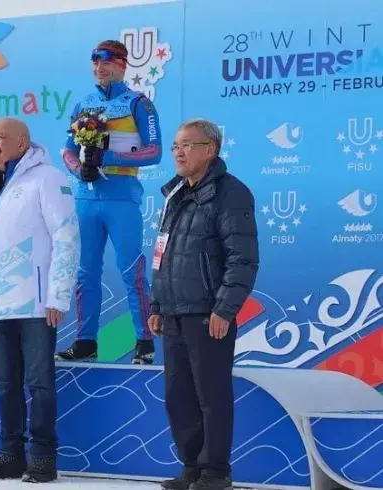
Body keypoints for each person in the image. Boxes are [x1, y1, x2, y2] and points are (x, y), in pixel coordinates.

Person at [0, 118, 79, 483]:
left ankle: (43, 456)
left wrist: (57, 294)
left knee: (40, 382)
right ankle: (11, 454)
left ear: (23, 142)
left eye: (2, 137)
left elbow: (67, 238)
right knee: (5, 383)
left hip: (37, 304)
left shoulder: (48, 178)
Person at [148, 119, 259, 490]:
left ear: (209, 149)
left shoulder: (231, 194)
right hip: (175, 313)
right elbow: (162, 254)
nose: (178, 152)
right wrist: (157, 304)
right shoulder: (174, 195)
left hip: (208, 315)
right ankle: (192, 468)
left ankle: (216, 471)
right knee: (178, 397)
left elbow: (242, 259)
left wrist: (224, 309)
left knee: (211, 395)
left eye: (186, 145)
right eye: (175, 146)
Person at [56, 40, 163, 364]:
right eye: (94, 62)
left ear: (121, 65)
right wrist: (80, 168)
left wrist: (109, 156)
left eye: (106, 62)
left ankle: (143, 341)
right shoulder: (83, 105)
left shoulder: (139, 104)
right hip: (86, 197)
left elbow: (154, 151)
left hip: (121, 196)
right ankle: (85, 341)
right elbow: (67, 150)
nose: (99, 68)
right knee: (85, 273)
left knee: (132, 271)